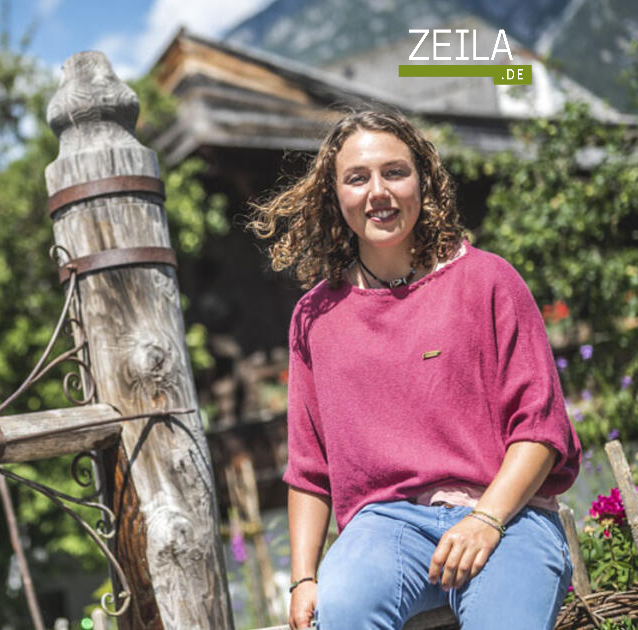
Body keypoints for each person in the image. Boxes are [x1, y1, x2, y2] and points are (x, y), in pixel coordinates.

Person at [247, 109, 582, 630]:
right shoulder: (315, 318)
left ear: (423, 181)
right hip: (384, 526)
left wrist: (486, 519)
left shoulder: (489, 280)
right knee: (344, 610)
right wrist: (303, 578)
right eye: (357, 178)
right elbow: (310, 469)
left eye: (394, 172)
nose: (377, 192)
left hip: (510, 515)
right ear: (334, 195)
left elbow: (540, 431)